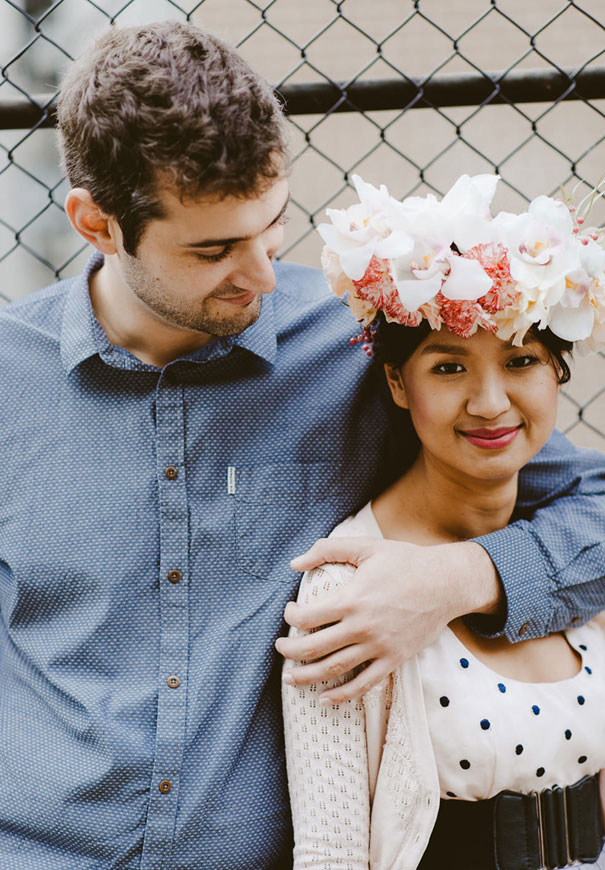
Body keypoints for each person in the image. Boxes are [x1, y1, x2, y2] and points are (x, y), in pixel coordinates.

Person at [0, 19, 602, 870]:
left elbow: (592, 503)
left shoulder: (353, 351)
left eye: (272, 226)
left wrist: (457, 579)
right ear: (96, 224)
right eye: (215, 249)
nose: (263, 275)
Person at [282, 173, 605, 869]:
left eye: (520, 360)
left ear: (557, 373)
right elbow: (331, 850)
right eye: (449, 368)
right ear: (398, 383)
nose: (489, 402)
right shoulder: (345, 587)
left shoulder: (576, 548)